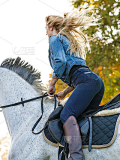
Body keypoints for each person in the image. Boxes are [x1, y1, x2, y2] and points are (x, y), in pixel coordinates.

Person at [45, 9, 104, 160]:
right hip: (95, 82)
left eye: (46, 28)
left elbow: (60, 62)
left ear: (51, 27)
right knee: (81, 118)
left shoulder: (54, 39)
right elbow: (77, 71)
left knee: (66, 114)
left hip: (85, 82)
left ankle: (76, 156)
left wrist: (52, 84)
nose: (45, 32)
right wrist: (64, 93)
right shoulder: (68, 41)